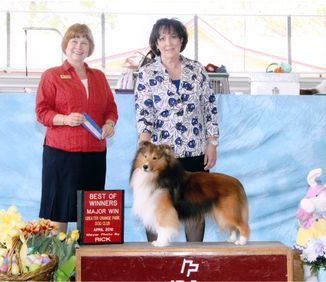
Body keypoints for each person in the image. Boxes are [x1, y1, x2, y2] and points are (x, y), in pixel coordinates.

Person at [134, 18, 219, 242]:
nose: (168, 42)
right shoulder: (146, 73)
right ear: (156, 43)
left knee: (194, 209)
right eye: (162, 38)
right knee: (155, 207)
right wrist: (144, 145)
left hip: (195, 151)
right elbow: (144, 112)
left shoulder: (197, 70)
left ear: (181, 40)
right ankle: (156, 264)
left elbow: (209, 108)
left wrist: (212, 143)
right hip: (160, 156)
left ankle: (194, 261)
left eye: (173, 37)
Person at [35, 23, 118, 233]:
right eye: (74, 41)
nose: (79, 46)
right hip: (61, 154)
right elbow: (41, 112)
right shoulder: (51, 75)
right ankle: (57, 262)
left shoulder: (99, 76)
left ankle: (87, 262)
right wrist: (64, 119)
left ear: (90, 47)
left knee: (91, 214)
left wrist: (109, 124)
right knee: (59, 210)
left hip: (94, 154)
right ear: (66, 45)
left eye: (84, 42)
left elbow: (110, 108)